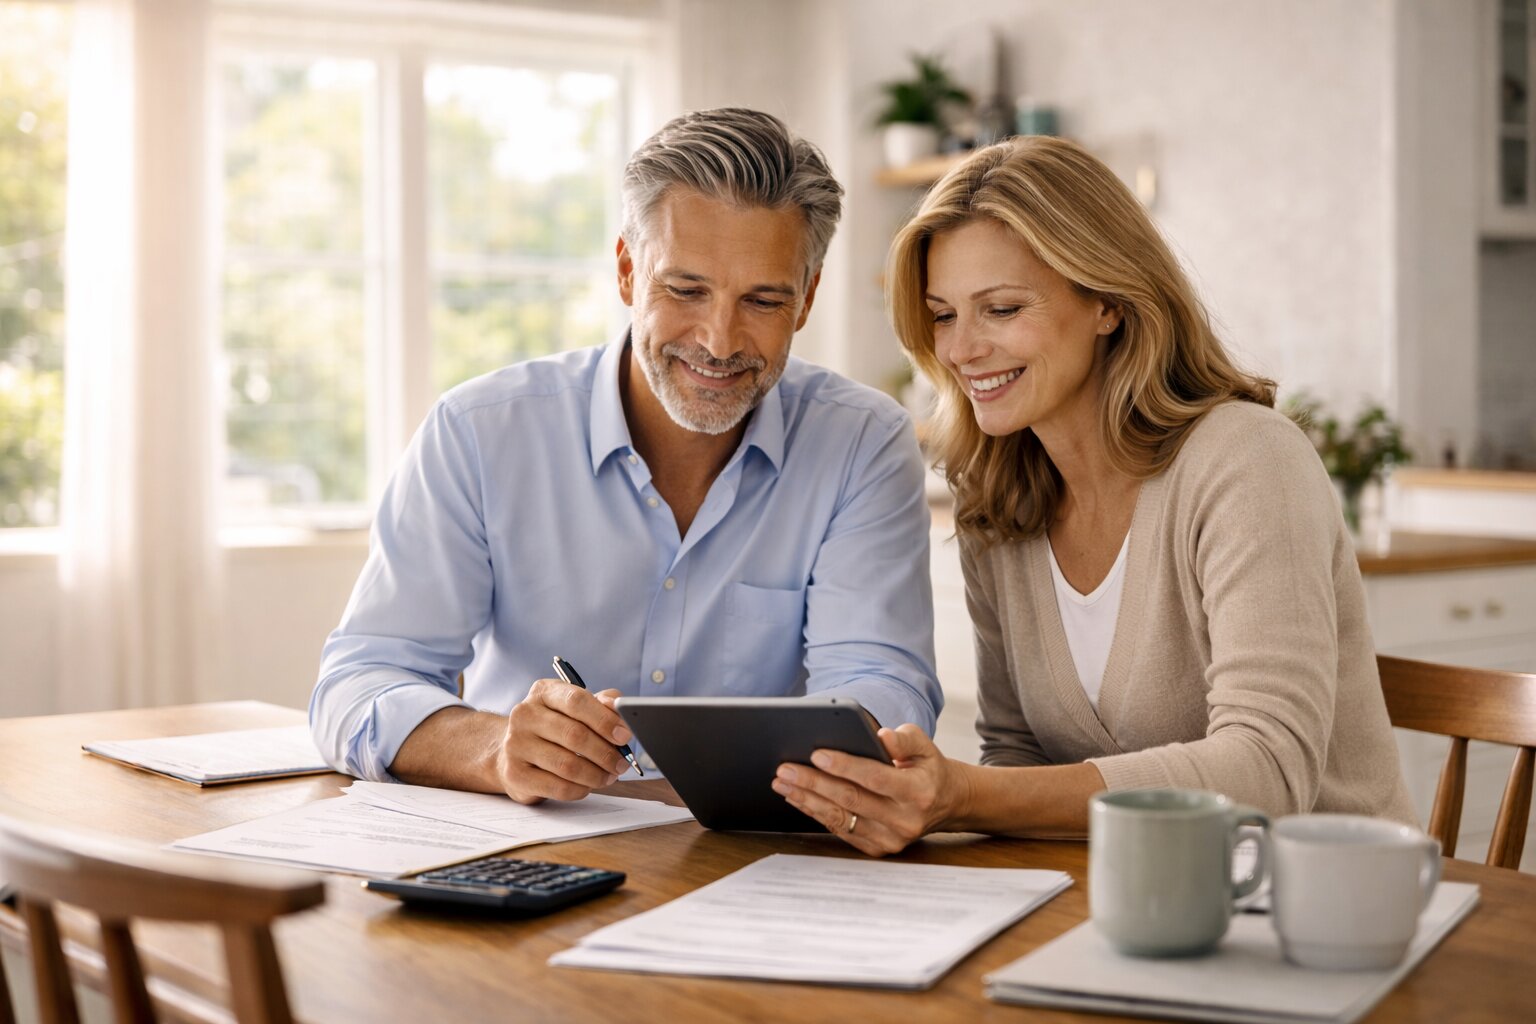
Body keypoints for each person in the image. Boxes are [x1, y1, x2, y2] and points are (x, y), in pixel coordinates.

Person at [772, 136, 1416, 855]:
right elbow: (1017, 755)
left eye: (1003, 309)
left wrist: (962, 796)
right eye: (945, 315)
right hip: (1132, 907)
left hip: (1327, 916)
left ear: (1107, 302)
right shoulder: (996, 500)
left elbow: (1267, 768)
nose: (960, 350)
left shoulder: (1247, 462)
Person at [311, 108, 942, 803]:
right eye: (685, 289)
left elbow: (883, 686)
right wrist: (494, 749)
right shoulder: (479, 431)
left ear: (806, 298)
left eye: (762, 299)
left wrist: (845, 754)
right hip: (530, 852)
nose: (720, 340)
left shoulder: (862, 444)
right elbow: (359, 682)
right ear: (626, 272)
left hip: (754, 861)